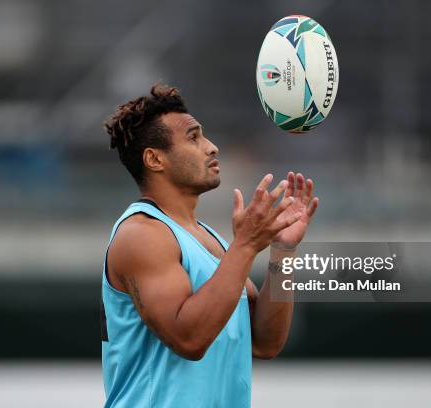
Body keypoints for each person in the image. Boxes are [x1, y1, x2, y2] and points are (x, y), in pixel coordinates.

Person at [100, 84, 319, 407]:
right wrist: (244, 247)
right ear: (154, 159)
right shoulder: (141, 234)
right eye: (194, 137)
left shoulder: (208, 239)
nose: (212, 147)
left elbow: (265, 343)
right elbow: (189, 339)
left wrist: (282, 250)